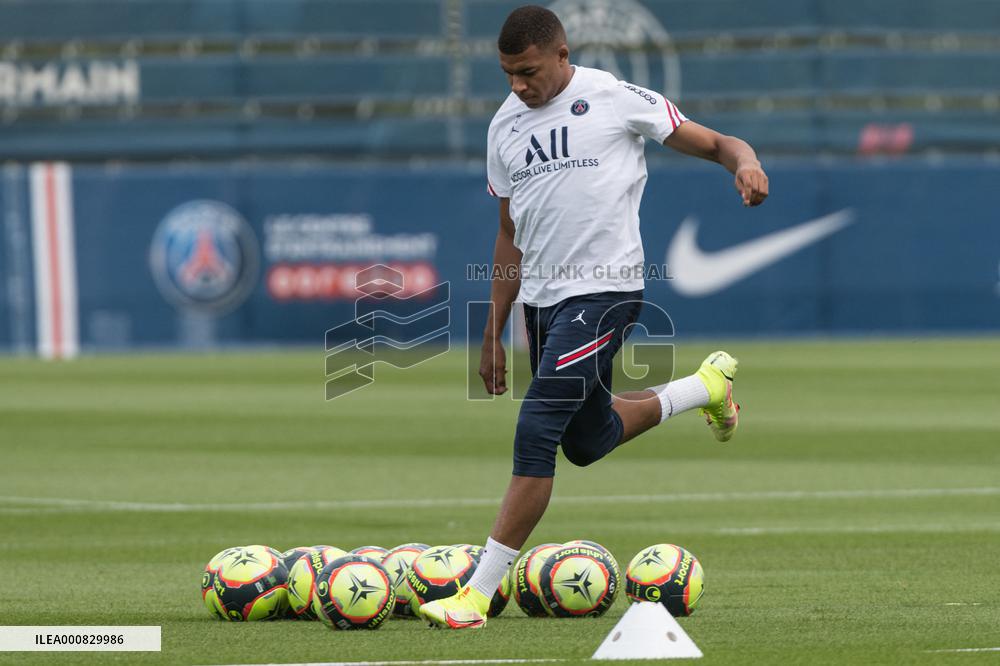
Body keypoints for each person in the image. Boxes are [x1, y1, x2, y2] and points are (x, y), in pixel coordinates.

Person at [419, 5, 768, 629]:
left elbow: (716, 141)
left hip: (607, 293)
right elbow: (509, 234)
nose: (519, 86)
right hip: (543, 306)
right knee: (588, 440)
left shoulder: (610, 96)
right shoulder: (503, 127)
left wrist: (743, 163)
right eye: (507, 74)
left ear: (562, 54)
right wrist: (493, 328)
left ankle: (475, 596)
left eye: (528, 71)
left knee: (538, 425)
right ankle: (706, 387)